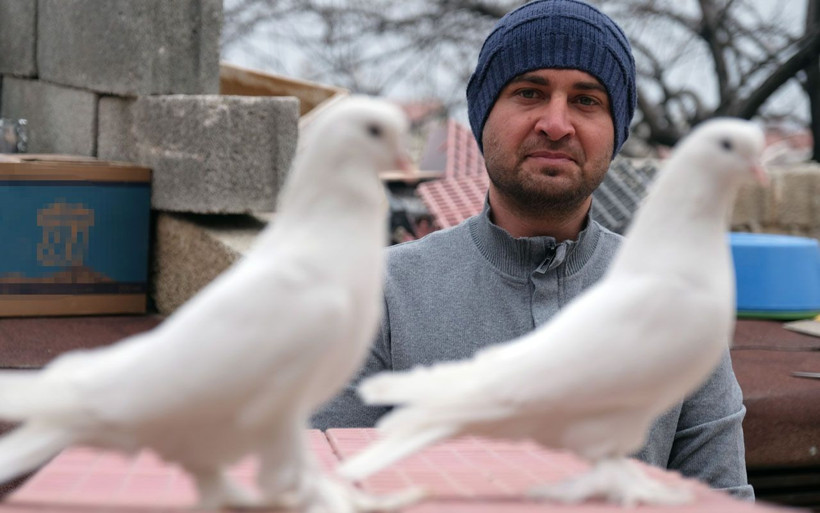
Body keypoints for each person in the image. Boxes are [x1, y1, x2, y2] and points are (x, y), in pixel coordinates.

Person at [312, 0, 753, 500]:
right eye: (529, 92)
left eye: (587, 100)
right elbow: (331, 491)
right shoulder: (376, 292)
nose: (556, 124)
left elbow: (722, 500)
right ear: (483, 117)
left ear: (617, 131)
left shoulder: (683, 301)